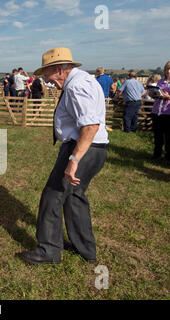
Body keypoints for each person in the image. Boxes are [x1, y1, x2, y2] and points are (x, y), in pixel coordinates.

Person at [18, 47, 109, 265]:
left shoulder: (77, 86)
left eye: (46, 75)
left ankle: (48, 251)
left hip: (83, 148)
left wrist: (74, 160)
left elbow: (89, 126)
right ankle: (84, 248)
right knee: (74, 197)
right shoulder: (82, 81)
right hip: (93, 148)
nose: (46, 81)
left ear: (59, 69)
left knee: (53, 196)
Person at [151, 61, 170, 162]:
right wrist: (154, 94)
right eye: (167, 69)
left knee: (169, 136)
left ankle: (168, 157)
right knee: (157, 134)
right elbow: (157, 93)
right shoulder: (161, 81)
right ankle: (157, 154)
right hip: (157, 111)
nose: (169, 71)